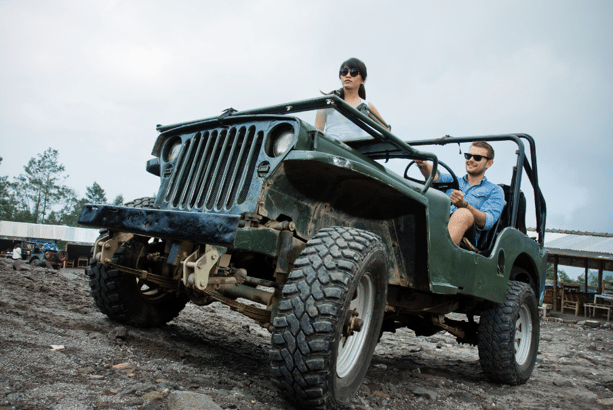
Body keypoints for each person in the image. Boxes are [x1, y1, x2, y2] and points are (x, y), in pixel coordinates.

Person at [416, 141, 505, 248]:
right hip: (438, 224)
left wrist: (464, 205)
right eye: (468, 156)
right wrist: (423, 164)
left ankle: (439, 251)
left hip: (466, 240)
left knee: (463, 213)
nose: (470, 160)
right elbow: (434, 176)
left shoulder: (495, 190)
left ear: (489, 163)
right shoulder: (453, 180)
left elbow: (487, 222)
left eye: (477, 157)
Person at [315, 57, 388, 141]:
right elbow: (317, 134)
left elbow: (386, 130)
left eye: (353, 72)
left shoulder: (366, 106)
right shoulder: (328, 102)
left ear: (363, 80)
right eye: (344, 72)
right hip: (331, 149)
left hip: (354, 152)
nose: (348, 75)